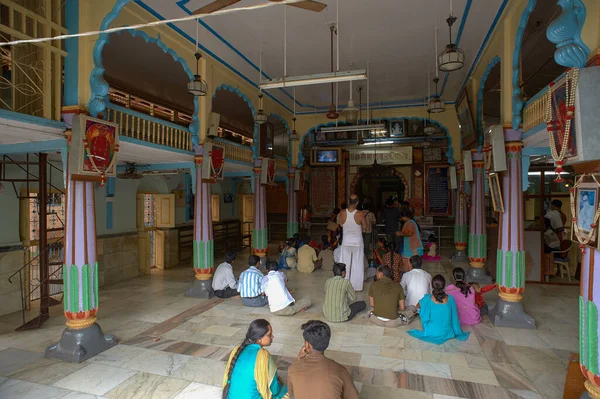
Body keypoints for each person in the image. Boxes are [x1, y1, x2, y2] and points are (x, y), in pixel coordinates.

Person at [288, 320, 359, 399]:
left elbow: (292, 394)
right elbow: (354, 396)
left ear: (307, 345)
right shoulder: (339, 370)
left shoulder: (293, 368)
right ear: (327, 342)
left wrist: (299, 361)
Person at [222, 319, 288, 399]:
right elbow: (274, 390)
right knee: (287, 391)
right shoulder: (263, 356)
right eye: (269, 335)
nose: (272, 337)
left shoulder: (236, 350)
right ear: (259, 338)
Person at [407, 275, 470, 345]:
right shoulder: (450, 298)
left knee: (423, 311)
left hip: (431, 332)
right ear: (444, 285)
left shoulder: (427, 298)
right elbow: (454, 318)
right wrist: (457, 331)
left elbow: (417, 306)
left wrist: (425, 309)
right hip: (447, 333)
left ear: (432, 285)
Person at [338, 194, 367, 291]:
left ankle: (344, 286)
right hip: (357, 242)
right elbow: (365, 227)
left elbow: (341, 224)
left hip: (346, 242)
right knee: (357, 264)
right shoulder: (360, 213)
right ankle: (356, 287)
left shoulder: (342, 212)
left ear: (349, 201)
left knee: (344, 263)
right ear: (357, 202)